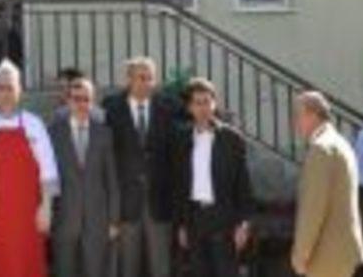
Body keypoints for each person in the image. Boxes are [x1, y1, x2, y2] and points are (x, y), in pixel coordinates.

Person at [0, 60, 59, 277]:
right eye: (1, 88)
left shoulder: (34, 125)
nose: (6, 94)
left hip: (28, 217)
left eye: (10, 87)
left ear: (19, 91)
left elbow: (48, 167)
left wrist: (47, 206)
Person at [103, 56, 177, 277]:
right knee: (128, 267)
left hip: (159, 203)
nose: (146, 83)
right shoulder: (111, 109)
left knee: (161, 267)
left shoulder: (168, 108)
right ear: (129, 80)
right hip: (126, 204)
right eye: (141, 77)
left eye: (150, 78)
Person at [172, 77, 253, 277]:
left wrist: (244, 223)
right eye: (198, 103)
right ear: (190, 107)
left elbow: (243, 184)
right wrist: (181, 224)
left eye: (207, 102)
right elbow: (180, 185)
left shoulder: (231, 138)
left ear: (214, 104)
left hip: (223, 220)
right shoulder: (182, 140)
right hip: (195, 220)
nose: (203, 108)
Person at [48, 77, 119, 277]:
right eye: (76, 99)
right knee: (64, 271)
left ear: (92, 102)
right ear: (68, 101)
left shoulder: (104, 134)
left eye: (86, 99)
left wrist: (114, 219)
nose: (81, 104)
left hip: (97, 220)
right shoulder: (53, 134)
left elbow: (111, 179)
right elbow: (47, 178)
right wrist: (48, 214)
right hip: (64, 219)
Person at [290, 91, 363, 277]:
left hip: (326, 256)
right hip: (342, 252)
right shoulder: (340, 144)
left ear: (313, 114)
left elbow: (313, 208)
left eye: (298, 115)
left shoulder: (320, 149)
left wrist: (301, 254)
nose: (295, 123)